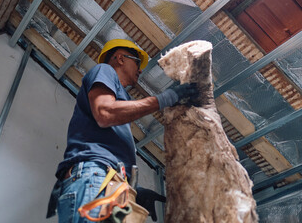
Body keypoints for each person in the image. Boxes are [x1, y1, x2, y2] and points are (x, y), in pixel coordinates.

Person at [46, 39, 198, 222]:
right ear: (119, 58)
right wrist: (164, 99)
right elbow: (105, 113)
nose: (140, 70)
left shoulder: (123, 98)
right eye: (136, 61)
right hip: (95, 176)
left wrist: (135, 189)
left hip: (109, 183)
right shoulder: (104, 70)